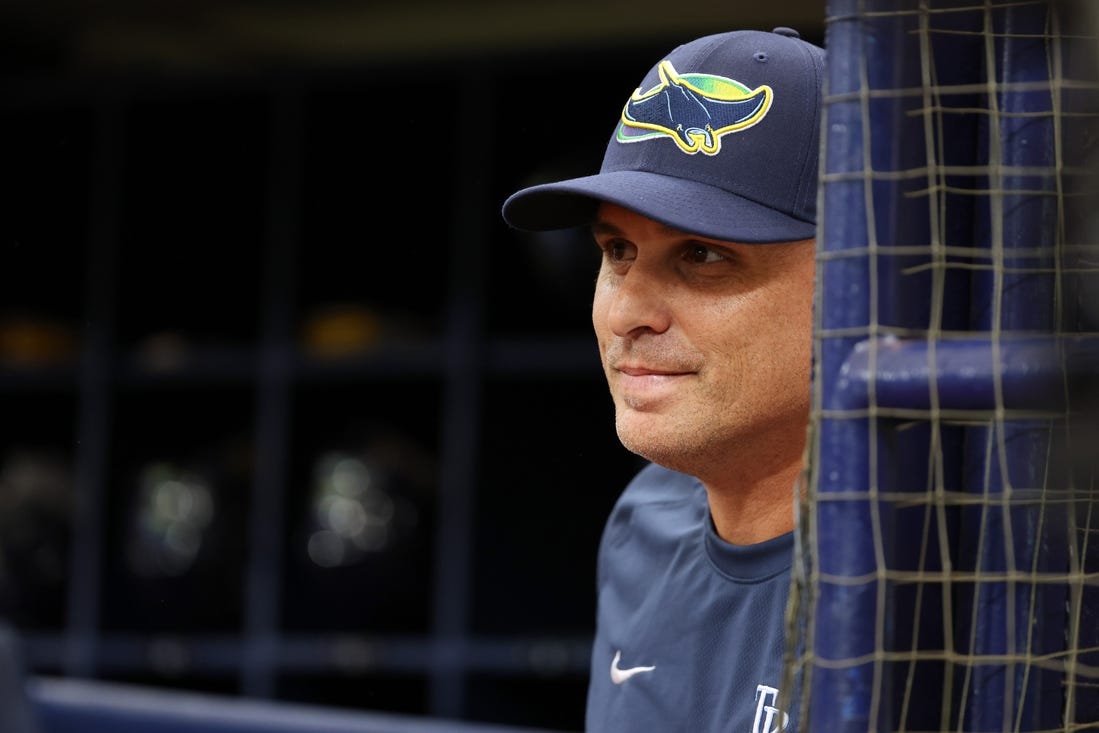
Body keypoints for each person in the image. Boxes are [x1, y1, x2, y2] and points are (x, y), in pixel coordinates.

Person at [501, 27, 825, 732]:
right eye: (617, 250)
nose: (625, 314)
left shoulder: (946, 565)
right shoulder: (642, 522)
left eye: (703, 254)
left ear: (855, 283)